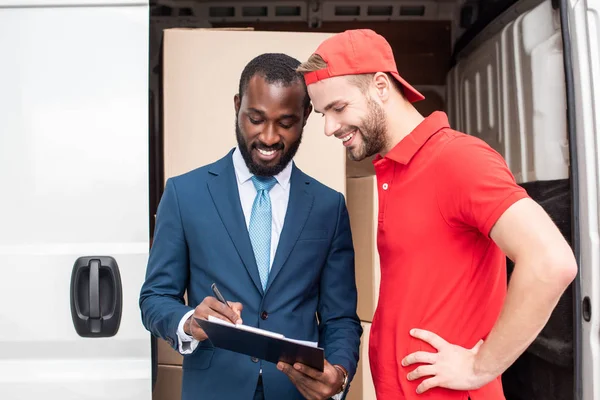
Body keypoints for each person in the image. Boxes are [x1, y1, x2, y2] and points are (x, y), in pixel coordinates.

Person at [297, 29, 577, 400]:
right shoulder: (393, 168)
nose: (329, 127)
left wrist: (481, 367)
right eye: (322, 113)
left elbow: (551, 262)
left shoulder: (457, 159)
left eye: (338, 108)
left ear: (380, 85)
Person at [139, 53, 362, 400]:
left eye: (285, 122)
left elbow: (341, 319)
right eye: (256, 119)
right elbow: (154, 298)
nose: (269, 137)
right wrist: (189, 322)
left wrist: (340, 373)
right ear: (237, 106)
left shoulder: (328, 207)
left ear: (305, 116)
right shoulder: (185, 194)